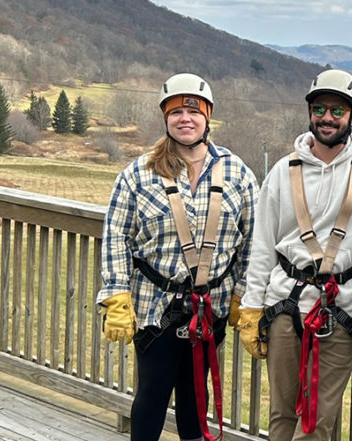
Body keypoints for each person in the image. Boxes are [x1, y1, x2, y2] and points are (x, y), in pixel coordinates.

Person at [235, 69, 352, 440]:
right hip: (284, 307)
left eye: (337, 111)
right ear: (310, 111)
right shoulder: (282, 172)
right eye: (320, 109)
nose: (327, 118)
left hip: (342, 312)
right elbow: (263, 244)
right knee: (281, 415)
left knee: (318, 422)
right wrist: (252, 306)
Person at [98, 72, 258, 441]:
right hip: (156, 306)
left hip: (211, 307)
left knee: (194, 398)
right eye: (175, 111)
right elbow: (116, 236)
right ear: (165, 117)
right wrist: (116, 293)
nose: (185, 118)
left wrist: (242, 295)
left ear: (207, 116)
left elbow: (254, 238)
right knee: (152, 393)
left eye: (194, 110)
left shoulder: (237, 173)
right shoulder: (138, 174)